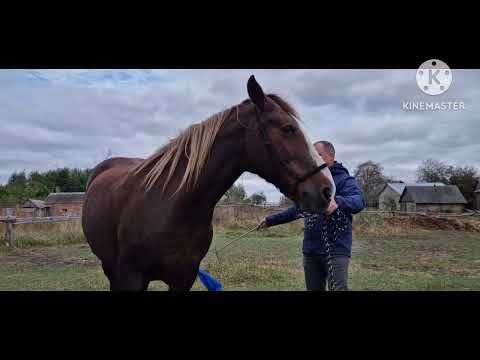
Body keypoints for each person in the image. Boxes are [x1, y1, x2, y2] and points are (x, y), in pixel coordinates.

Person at [259, 141, 365, 291]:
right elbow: (298, 209)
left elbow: (359, 201)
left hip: (336, 250)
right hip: (311, 251)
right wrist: (270, 221)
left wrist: (337, 202)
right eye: (312, 155)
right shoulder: (312, 182)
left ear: (330, 156)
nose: (314, 159)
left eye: (318, 155)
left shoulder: (345, 180)